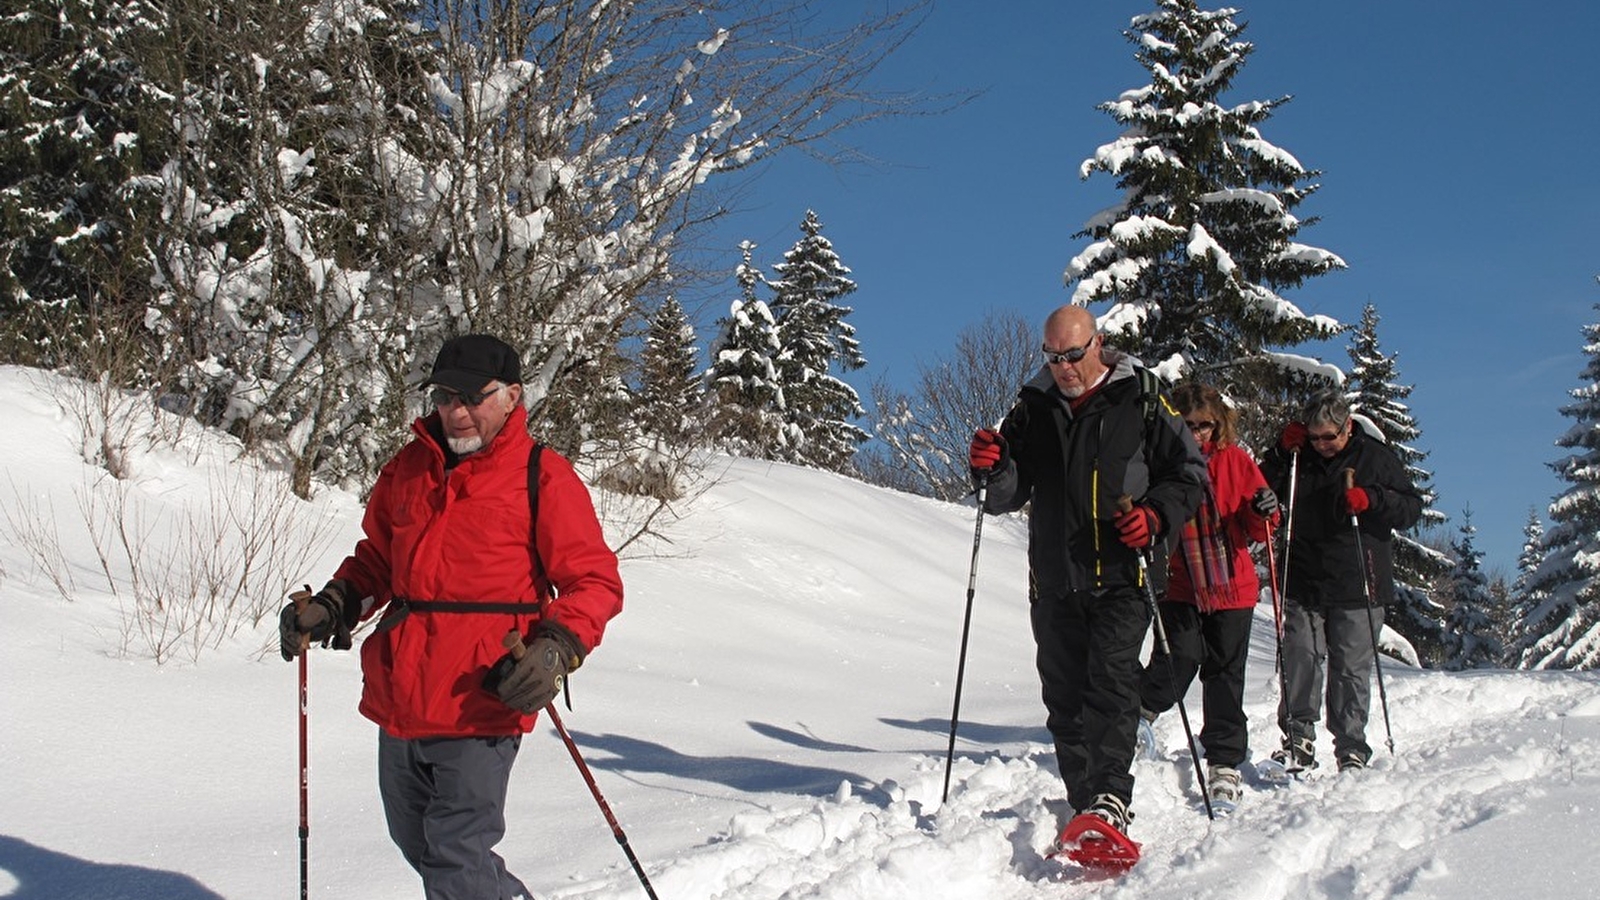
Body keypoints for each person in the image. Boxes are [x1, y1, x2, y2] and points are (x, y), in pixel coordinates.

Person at [279, 334, 625, 900]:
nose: (455, 412)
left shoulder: (542, 475)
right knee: (417, 840)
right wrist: (334, 604)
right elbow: (378, 563)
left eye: (472, 397)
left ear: (513, 396)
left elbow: (595, 581)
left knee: (456, 854)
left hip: (484, 697)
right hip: (402, 694)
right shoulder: (409, 468)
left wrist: (556, 648)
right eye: (443, 397)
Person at [967, 305, 1205, 835]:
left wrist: (1156, 515)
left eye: (1073, 355)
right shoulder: (1032, 407)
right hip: (1054, 578)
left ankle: (1110, 799)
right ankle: (1086, 806)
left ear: (1097, 343)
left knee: (1112, 681)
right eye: (1052, 357)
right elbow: (1008, 494)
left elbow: (1189, 474)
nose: (1063, 368)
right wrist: (992, 467)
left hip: (1126, 572)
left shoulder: (1141, 395)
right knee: (1064, 696)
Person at [1258, 387, 1421, 774]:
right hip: (1304, 573)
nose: (1322, 445)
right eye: (1314, 438)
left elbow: (1411, 508)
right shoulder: (1298, 457)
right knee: (1300, 655)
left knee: (1349, 666)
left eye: (1329, 437)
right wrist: (1282, 452)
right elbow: (1262, 488)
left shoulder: (1374, 458)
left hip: (1357, 577)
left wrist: (1373, 499)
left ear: (1347, 427)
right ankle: (1298, 737)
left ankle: (1350, 745)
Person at [1133, 382, 1278, 807]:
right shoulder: (1161, 461)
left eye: (1206, 426)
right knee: (1178, 657)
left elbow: (1260, 529)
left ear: (1219, 425)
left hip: (1232, 585)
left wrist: (1262, 510)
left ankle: (1225, 761)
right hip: (1179, 581)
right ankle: (1140, 711)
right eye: (1188, 425)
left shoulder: (1234, 461)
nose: (1198, 434)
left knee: (1225, 674)